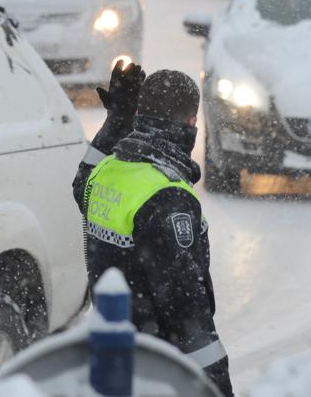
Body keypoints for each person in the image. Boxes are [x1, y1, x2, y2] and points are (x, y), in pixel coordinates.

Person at [73, 62, 233, 397]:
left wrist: (117, 121)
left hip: (110, 352)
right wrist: (218, 388)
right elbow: (188, 315)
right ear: (191, 123)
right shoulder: (168, 197)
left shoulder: (108, 171)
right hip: (157, 371)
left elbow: (81, 179)